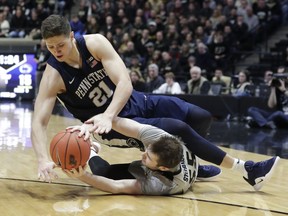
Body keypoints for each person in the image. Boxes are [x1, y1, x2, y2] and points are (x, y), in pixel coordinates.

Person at [32, 15, 212, 182]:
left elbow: (125, 82)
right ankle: (167, 170)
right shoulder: (53, 76)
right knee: (174, 129)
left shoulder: (94, 43)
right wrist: (42, 160)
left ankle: (189, 165)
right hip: (108, 127)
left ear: (71, 36)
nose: (56, 51)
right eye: (50, 46)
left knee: (200, 116)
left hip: (130, 103)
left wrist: (108, 114)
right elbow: (39, 122)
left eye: (60, 45)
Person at [63, 117, 280, 195]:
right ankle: (200, 172)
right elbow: (123, 124)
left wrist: (82, 176)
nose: (142, 153)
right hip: (186, 167)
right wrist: (91, 125)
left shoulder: (161, 183)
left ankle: (91, 152)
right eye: (146, 150)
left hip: (179, 180)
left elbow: (116, 187)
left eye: (147, 157)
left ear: (162, 168)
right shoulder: (164, 139)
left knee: (105, 173)